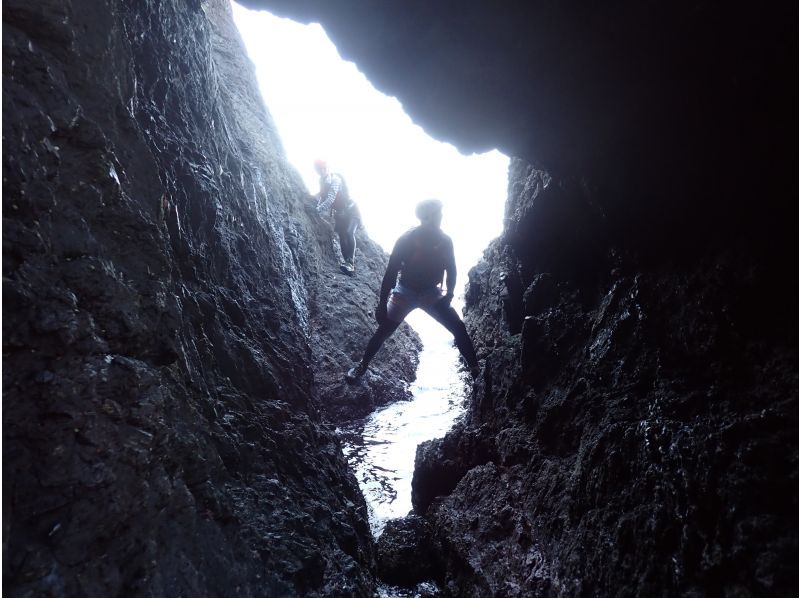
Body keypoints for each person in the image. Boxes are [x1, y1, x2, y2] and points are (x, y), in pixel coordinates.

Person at [345, 199, 480, 382]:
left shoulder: (445, 241)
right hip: (405, 291)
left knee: (458, 328)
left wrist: (449, 294)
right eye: (439, 213)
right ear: (428, 217)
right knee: (384, 331)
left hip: (431, 293)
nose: (441, 216)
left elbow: (451, 269)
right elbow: (390, 274)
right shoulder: (406, 240)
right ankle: (362, 366)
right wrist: (382, 304)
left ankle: (475, 370)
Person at [313, 159, 360, 275]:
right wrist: (314, 204)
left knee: (349, 233)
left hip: (351, 211)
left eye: (324, 168)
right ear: (317, 171)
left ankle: (350, 263)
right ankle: (346, 264)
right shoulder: (322, 182)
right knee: (342, 236)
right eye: (320, 169)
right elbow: (322, 197)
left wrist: (316, 210)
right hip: (339, 214)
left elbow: (330, 198)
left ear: (328, 168)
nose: (323, 171)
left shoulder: (335, 179)